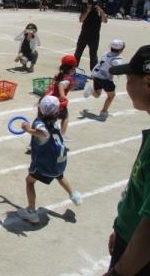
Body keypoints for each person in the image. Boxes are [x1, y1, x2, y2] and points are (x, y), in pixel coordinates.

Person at [101, 45, 150, 276]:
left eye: (130, 79)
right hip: (127, 237)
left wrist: (118, 273)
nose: (127, 86)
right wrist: (121, 228)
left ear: (148, 82)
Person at [17, 96, 82, 224]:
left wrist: (28, 129)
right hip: (60, 161)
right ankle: (74, 195)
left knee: (29, 181)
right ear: (56, 112)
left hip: (45, 164)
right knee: (59, 175)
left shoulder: (39, 123)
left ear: (40, 108)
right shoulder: (56, 123)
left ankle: (31, 212)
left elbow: (43, 133)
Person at [83, 39, 125, 120]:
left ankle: (91, 90)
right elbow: (117, 69)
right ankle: (104, 112)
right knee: (111, 96)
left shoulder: (106, 54)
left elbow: (99, 64)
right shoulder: (117, 59)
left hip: (96, 75)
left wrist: (92, 74)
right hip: (105, 79)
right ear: (121, 49)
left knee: (97, 94)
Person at [48, 55, 77, 141]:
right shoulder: (68, 79)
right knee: (65, 117)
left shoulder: (59, 75)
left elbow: (57, 84)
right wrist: (62, 95)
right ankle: (62, 135)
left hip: (48, 99)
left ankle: (34, 143)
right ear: (72, 69)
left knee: (46, 121)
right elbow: (61, 84)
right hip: (57, 103)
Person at [74, 0, 108, 71]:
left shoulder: (99, 11)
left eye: (95, 4)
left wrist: (101, 12)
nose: (93, 6)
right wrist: (88, 11)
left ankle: (93, 71)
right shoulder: (85, 10)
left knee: (93, 56)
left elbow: (105, 21)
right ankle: (73, 69)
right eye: (91, 4)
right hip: (83, 36)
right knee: (78, 53)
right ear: (88, 4)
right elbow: (81, 20)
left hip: (94, 38)